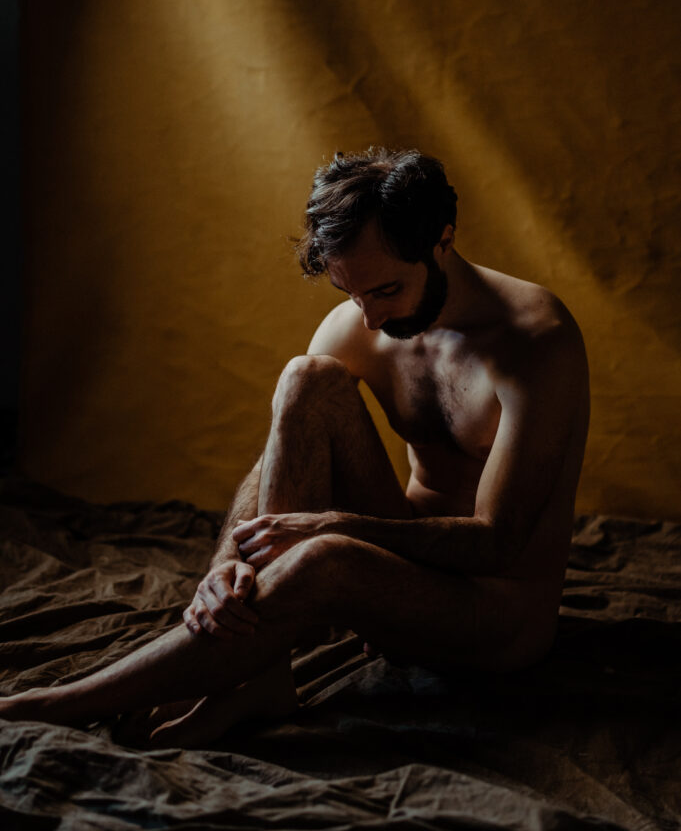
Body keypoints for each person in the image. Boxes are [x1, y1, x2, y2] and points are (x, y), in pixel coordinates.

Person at [0, 148, 589, 747]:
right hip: (404, 565)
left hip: (497, 617)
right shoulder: (361, 321)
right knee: (305, 380)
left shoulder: (537, 344)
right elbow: (286, 451)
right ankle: (263, 676)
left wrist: (337, 528)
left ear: (443, 240)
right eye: (351, 292)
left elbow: (498, 542)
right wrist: (227, 562)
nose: (370, 315)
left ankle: (59, 704)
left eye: (386, 290)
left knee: (324, 555)